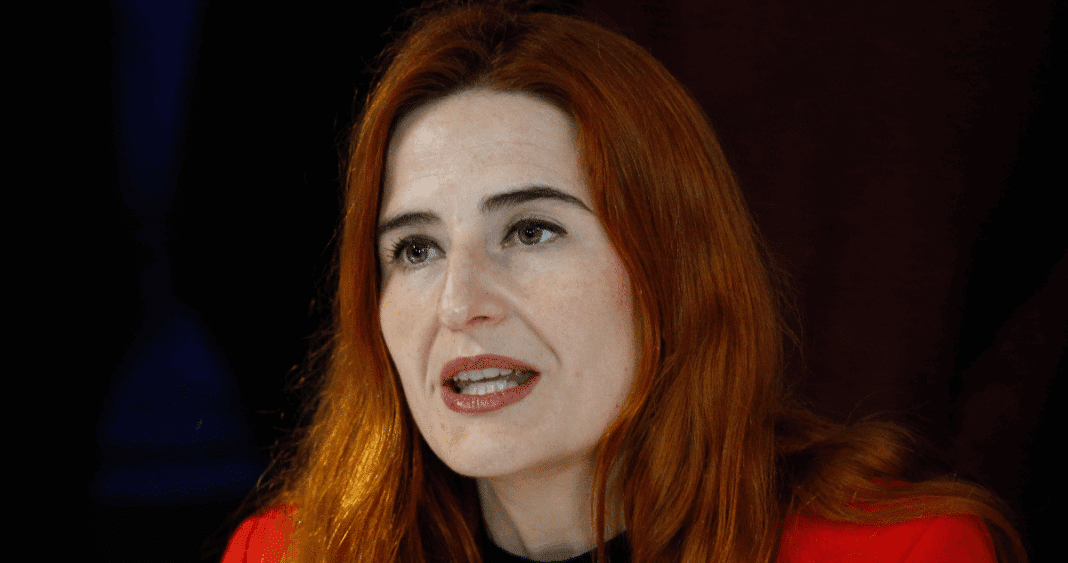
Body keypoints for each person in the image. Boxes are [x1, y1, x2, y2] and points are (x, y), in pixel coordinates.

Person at [222, 2, 1025, 562]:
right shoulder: (286, 553)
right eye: (415, 249)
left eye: (530, 231)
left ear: (671, 270)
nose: (459, 304)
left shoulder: (903, 552)